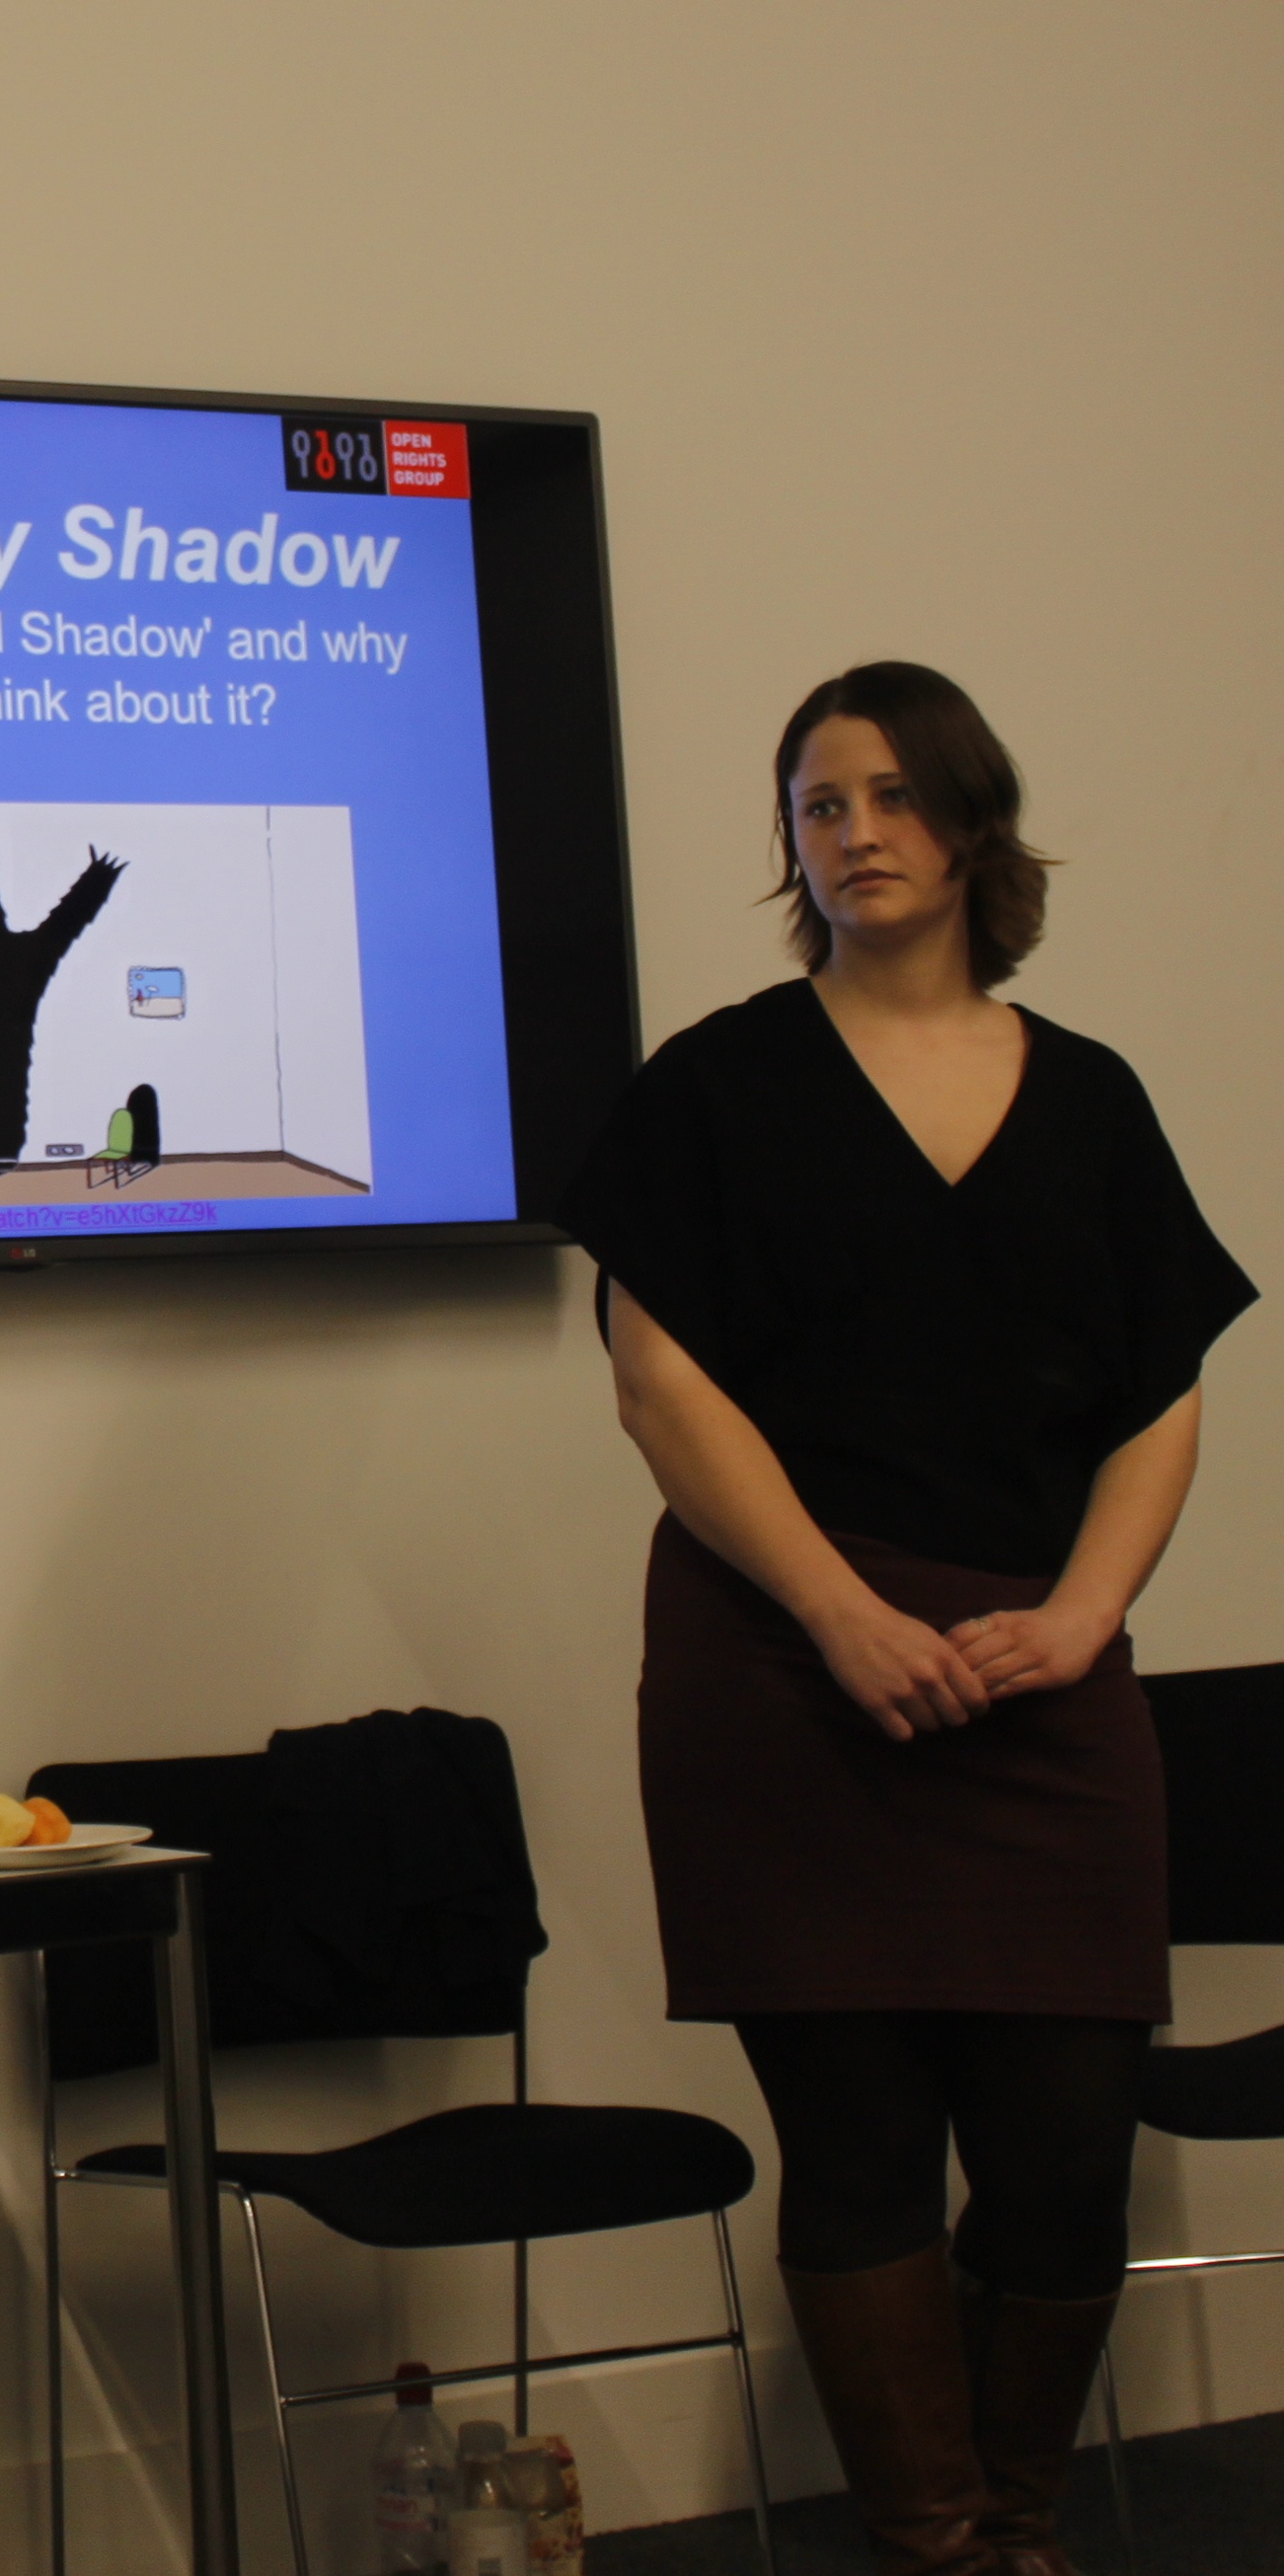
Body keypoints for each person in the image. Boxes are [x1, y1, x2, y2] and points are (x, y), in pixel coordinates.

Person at [563, 663, 1251, 2576]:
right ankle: (940, 2549)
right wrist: (839, 1616)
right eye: (811, 805)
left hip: (1041, 1673)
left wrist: (1082, 1616)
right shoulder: (712, 1085)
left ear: (967, 822)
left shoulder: (1088, 1098)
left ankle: (1016, 2524)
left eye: (881, 795)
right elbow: (655, 1384)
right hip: (783, 1677)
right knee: (856, 2145)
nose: (848, 832)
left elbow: (1159, 1389)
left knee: (1059, 2155)